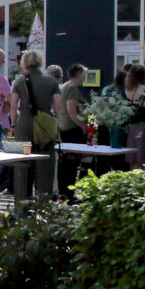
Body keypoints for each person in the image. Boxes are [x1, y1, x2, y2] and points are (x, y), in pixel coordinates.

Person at [8, 49, 62, 200]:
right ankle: (43, 202)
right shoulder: (51, 81)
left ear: (24, 62)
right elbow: (58, 106)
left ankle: (22, 203)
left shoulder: (19, 81)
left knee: (22, 166)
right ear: (40, 62)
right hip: (44, 127)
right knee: (45, 164)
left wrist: (13, 125)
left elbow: (13, 106)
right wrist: (56, 122)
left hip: (24, 125)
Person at [57, 64, 90, 196]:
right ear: (80, 75)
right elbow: (72, 111)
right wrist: (83, 126)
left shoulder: (64, 86)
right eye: (85, 75)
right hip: (72, 129)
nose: (85, 77)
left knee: (65, 161)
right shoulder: (72, 88)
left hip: (63, 126)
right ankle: (69, 192)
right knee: (72, 161)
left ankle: (63, 190)